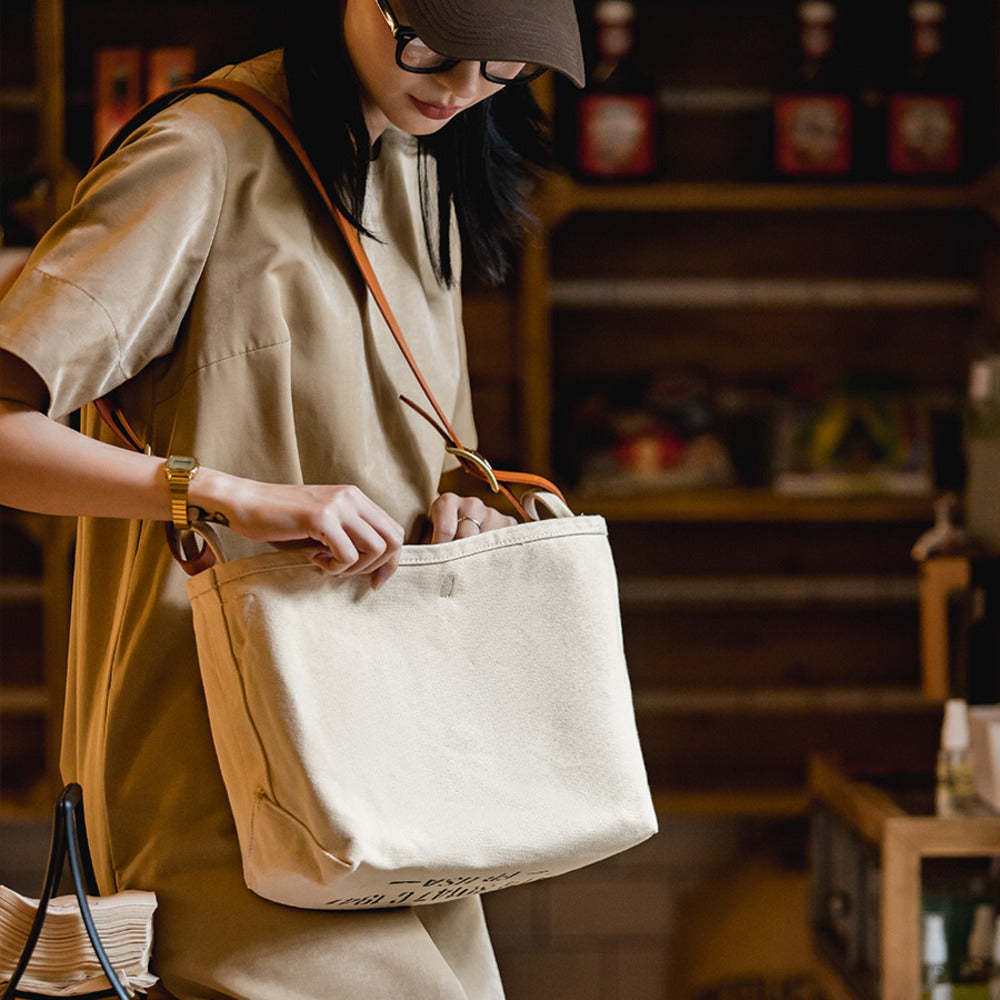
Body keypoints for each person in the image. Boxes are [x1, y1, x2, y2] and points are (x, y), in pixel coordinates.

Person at [0, 1, 584, 996]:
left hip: (404, 752)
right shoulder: (200, 153)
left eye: (501, 72)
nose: (457, 90)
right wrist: (223, 494)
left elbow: (423, 449)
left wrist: (465, 508)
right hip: (226, 765)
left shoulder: (421, 155)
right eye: (436, 50)